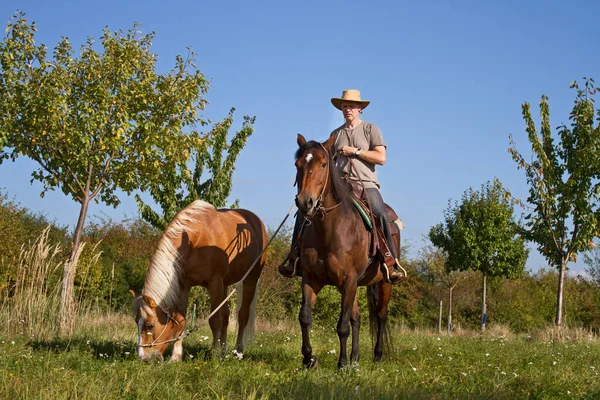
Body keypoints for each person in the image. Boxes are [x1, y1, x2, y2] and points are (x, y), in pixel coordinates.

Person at [278, 89, 405, 284]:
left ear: (360, 108)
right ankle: (294, 257)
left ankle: (389, 262)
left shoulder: (371, 129)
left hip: (366, 184)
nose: (348, 109)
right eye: (345, 106)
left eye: (352, 106)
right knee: (303, 213)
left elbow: (381, 158)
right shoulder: (335, 134)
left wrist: (356, 151)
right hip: (340, 185)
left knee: (379, 212)